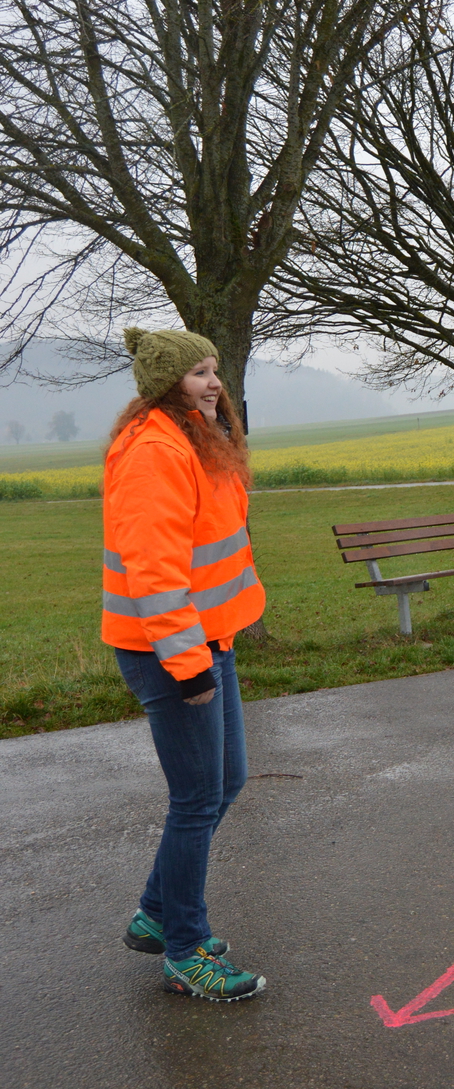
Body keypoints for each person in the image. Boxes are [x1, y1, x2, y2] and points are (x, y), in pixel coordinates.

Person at [103, 327, 267, 1001]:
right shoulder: (155, 451)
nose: (213, 382)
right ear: (166, 383)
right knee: (197, 798)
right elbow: (154, 571)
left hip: (209, 638)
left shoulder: (196, 437)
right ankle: (184, 951)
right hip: (169, 650)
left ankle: (156, 914)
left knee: (225, 782)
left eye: (213, 369)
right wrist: (187, 664)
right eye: (198, 373)